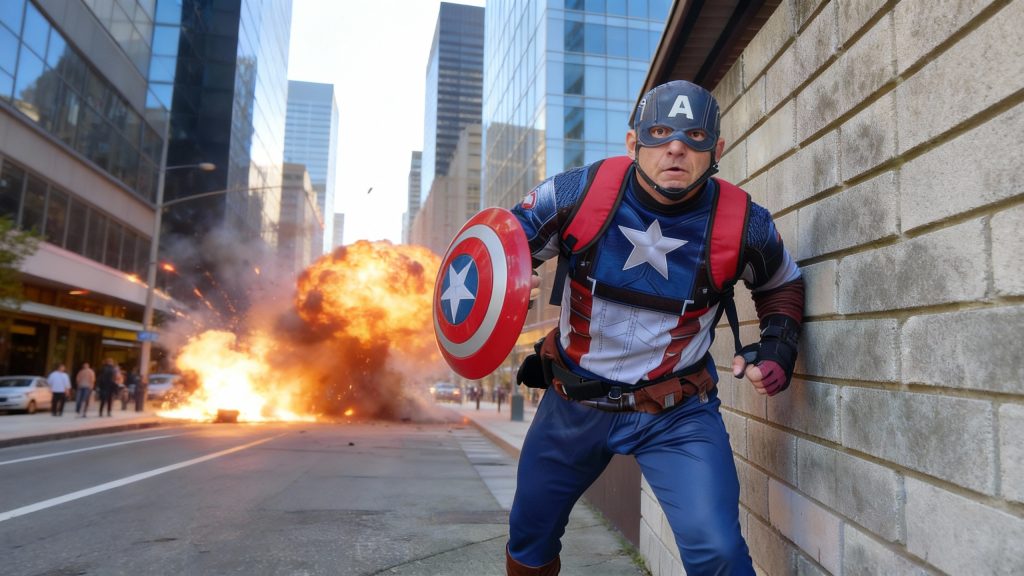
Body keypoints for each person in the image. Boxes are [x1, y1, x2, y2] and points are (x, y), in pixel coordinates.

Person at [504, 80, 804, 575]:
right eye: (660, 133)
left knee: (719, 552)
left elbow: (782, 284)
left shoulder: (743, 222)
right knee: (527, 540)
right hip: (572, 402)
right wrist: (511, 283)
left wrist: (777, 349)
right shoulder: (576, 193)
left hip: (677, 415)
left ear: (717, 151)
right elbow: (499, 246)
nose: (676, 148)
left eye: (695, 136)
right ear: (633, 143)